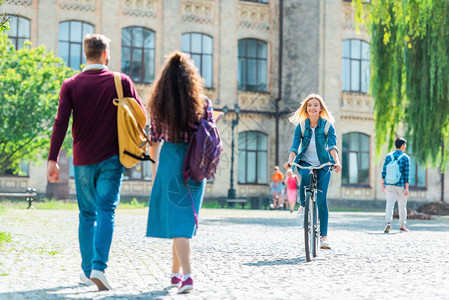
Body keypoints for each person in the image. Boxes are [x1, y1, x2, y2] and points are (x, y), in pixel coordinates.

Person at [46, 34, 144, 291]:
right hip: (113, 158)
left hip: (83, 161)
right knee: (106, 211)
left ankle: (87, 270)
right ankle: (98, 267)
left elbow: (60, 123)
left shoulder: (71, 84)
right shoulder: (121, 81)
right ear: (105, 54)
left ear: (85, 55)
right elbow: (140, 117)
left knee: (87, 214)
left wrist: (52, 159)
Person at [146, 51, 214, 294]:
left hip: (171, 162)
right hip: (196, 164)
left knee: (179, 223)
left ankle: (187, 277)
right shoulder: (204, 102)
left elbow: (153, 141)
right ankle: (177, 275)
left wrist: (155, 173)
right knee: (182, 221)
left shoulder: (158, 105)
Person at [283, 94, 342, 249]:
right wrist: (290, 161)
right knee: (304, 180)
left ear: (320, 108)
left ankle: (324, 237)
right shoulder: (301, 126)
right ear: (306, 109)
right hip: (305, 162)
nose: (312, 107)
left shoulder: (328, 126)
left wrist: (336, 162)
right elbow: (295, 147)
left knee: (322, 200)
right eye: (309, 105)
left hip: (323, 164)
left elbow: (332, 146)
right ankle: (303, 205)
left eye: (315, 105)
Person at [382, 137, 410, 233]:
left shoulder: (388, 156)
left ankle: (388, 222)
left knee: (389, 204)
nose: (405, 147)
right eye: (405, 145)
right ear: (402, 145)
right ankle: (402, 225)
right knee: (402, 206)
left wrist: (383, 184)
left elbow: (384, 170)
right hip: (401, 185)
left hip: (389, 184)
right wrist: (407, 188)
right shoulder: (405, 157)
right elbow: (406, 173)